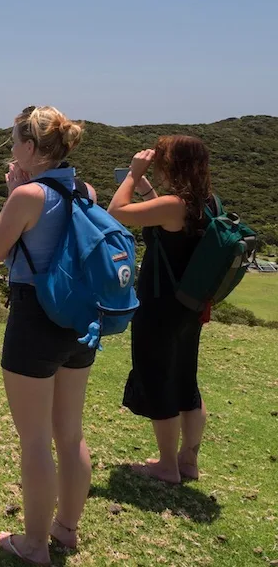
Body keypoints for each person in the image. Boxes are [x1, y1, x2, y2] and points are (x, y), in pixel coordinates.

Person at [0, 106, 96, 565]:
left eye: (14, 142)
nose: (10, 149)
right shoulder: (86, 189)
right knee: (69, 434)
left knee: (33, 439)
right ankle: (65, 530)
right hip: (78, 319)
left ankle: (33, 546)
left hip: (35, 317)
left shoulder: (27, 195)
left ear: (30, 149)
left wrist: (14, 194)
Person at [108, 136, 212, 484]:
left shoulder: (174, 204)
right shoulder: (207, 202)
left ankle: (167, 466)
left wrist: (132, 175)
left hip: (159, 307)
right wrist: (148, 191)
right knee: (185, 380)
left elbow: (116, 213)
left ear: (173, 165)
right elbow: (166, 229)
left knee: (157, 379)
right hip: (189, 307)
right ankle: (188, 461)